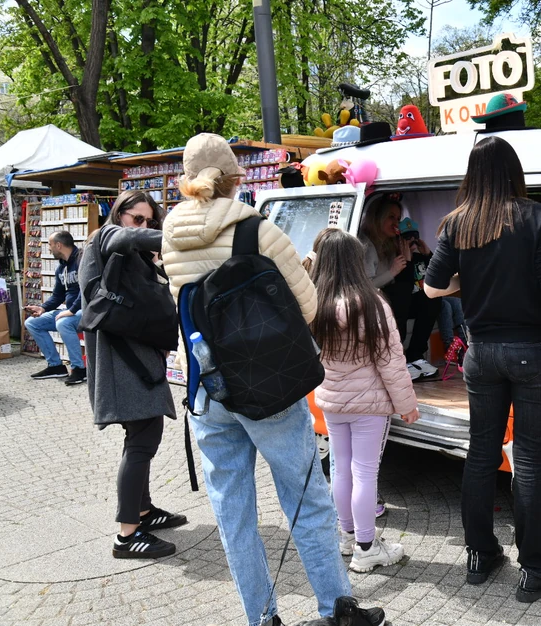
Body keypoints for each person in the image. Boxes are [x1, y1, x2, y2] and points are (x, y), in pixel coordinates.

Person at [160, 133, 385, 626]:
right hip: (267, 386)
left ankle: (262, 618)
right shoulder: (256, 230)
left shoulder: (170, 233)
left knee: (234, 513)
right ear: (233, 179)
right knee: (306, 499)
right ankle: (337, 608)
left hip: (207, 387)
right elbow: (308, 306)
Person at [423, 136, 541, 603]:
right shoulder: (538, 217)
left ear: (473, 175)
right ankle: (536, 568)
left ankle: (480, 555)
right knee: (528, 458)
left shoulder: (457, 223)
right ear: (514, 172)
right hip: (533, 352)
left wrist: (474, 280)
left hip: (481, 354)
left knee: (481, 453)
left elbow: (431, 289)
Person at [79, 190, 187, 559]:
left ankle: (143, 511)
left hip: (132, 358)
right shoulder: (106, 236)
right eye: (137, 218)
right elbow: (125, 237)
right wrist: (179, 234)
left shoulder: (130, 254)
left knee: (141, 434)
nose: (142, 226)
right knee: (143, 437)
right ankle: (127, 535)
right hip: (121, 361)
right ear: (119, 213)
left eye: (149, 221)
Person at [309, 228, 419, 572]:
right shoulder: (371, 304)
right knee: (365, 473)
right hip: (369, 405)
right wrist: (407, 404)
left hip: (332, 401)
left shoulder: (314, 303)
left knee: (340, 469)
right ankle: (367, 548)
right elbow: (391, 361)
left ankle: (347, 536)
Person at [359, 198, 441, 381]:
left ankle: (415, 355)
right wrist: (393, 271)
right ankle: (398, 357)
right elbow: (366, 287)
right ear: (377, 218)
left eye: (398, 218)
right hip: (373, 302)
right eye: (391, 217)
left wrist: (424, 256)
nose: (396, 223)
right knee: (401, 294)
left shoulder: (391, 242)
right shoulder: (366, 245)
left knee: (431, 297)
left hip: (394, 298)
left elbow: (410, 280)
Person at [24, 230, 86, 385]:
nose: (49, 248)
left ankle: (79, 369)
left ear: (59, 245)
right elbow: (57, 296)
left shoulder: (82, 260)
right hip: (71, 311)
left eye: (50, 245)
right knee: (32, 323)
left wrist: (71, 311)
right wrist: (42, 308)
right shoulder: (61, 268)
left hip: (87, 310)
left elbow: (86, 291)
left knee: (63, 323)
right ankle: (56, 366)